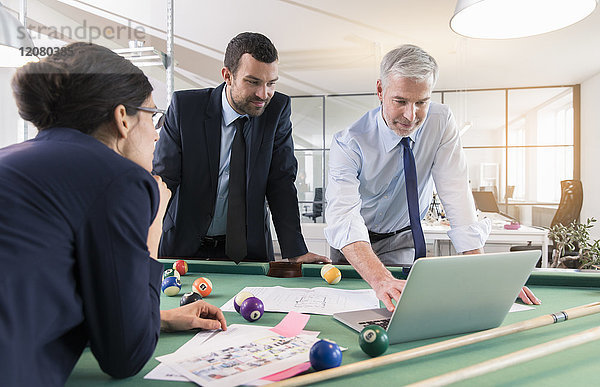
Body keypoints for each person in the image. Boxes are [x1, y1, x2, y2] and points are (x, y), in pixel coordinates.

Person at [0, 42, 226, 387]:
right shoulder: (123, 179)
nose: (156, 133)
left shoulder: (11, 158)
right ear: (123, 118)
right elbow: (126, 355)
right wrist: (154, 229)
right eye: (152, 116)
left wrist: (159, 319)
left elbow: (41, 291)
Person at [324, 44, 540, 311]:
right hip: (355, 243)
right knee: (350, 310)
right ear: (381, 91)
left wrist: (485, 274)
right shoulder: (348, 142)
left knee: (402, 309)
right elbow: (344, 216)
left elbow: (456, 192)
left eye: (421, 102)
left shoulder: (441, 121)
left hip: (401, 236)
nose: (410, 115)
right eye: (400, 101)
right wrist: (379, 279)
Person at [153, 32, 329, 264]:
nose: (263, 94)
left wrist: (295, 250)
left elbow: (281, 182)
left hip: (248, 251)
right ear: (227, 75)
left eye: (271, 83)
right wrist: (143, 241)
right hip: (183, 247)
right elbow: (164, 180)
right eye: (253, 82)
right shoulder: (186, 108)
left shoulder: (276, 110)